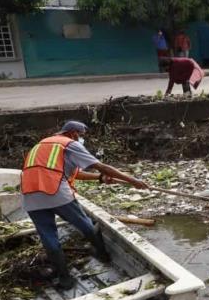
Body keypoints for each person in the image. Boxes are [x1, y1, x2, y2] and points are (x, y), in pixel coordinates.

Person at [21, 121, 148, 290]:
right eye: (81, 135)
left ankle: (65, 279)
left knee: (49, 238)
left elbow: (76, 173)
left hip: (29, 195)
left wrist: (100, 178)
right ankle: (103, 255)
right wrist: (132, 180)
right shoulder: (69, 144)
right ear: (74, 133)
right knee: (86, 224)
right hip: (56, 192)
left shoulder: (42, 145)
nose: (81, 139)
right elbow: (100, 166)